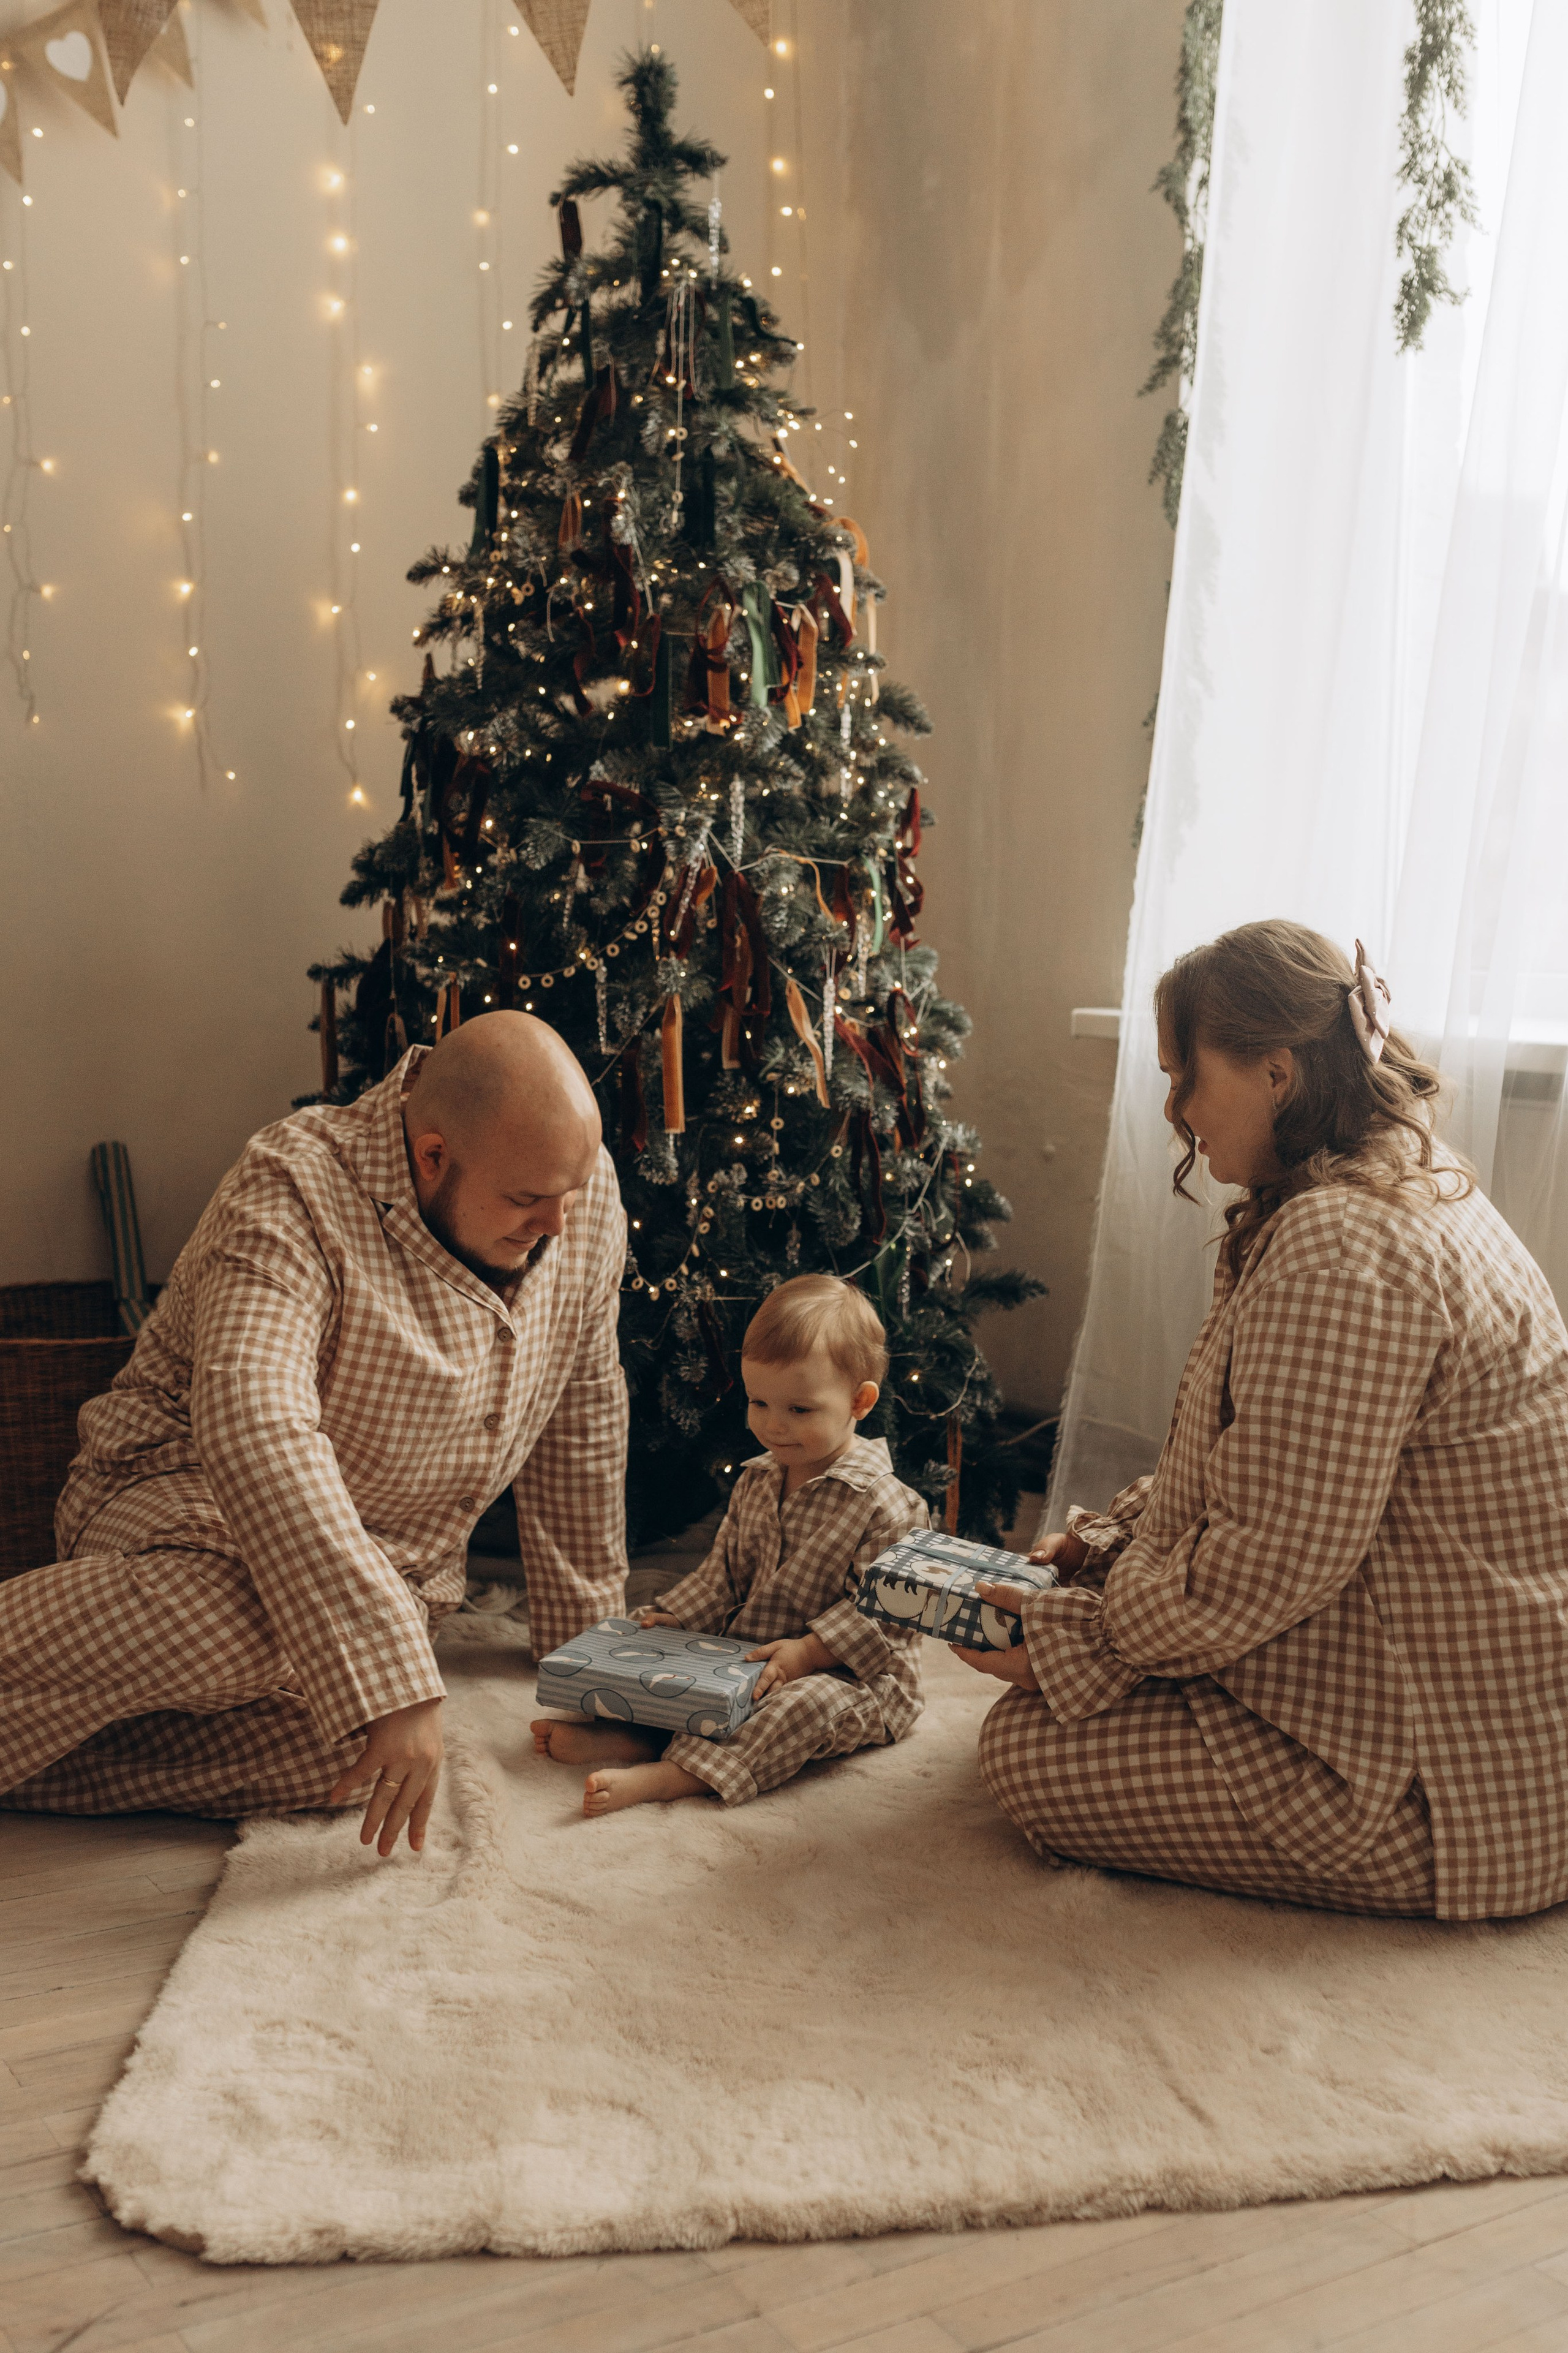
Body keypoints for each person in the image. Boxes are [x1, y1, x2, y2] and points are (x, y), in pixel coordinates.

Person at [959, 921, 1568, 1922]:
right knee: (1090, 1681)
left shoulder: (1343, 1240)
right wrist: (1113, 1552)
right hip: (1469, 1703)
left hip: (1453, 1782)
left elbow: (1272, 1555)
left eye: (1185, 1077)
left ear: (1277, 1072)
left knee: (1029, 1753)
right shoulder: (1391, 1182)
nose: (1176, 1111)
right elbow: (1265, 1463)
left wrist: (1090, 1642)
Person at [0, 1014, 628, 1858]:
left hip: (391, 1574)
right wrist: (390, 1675)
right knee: (243, 1627)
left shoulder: (570, 1194)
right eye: (525, 1199)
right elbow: (255, 1423)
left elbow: (582, 1414)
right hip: (180, 1502)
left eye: (572, 1191)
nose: (558, 1222)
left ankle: (41, 1764)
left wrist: (588, 1660)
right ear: (432, 1156)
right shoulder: (292, 1184)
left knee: (359, 1759)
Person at [532, 1274, 928, 1815]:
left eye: (799, 1410)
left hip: (854, 1675)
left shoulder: (891, 1505)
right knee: (663, 1651)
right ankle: (638, 1734)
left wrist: (809, 1652)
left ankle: (675, 1774)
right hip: (748, 1653)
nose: (772, 1425)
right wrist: (678, 1617)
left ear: (859, 1401)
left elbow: (884, 1617)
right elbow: (724, 1572)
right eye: (759, 1402)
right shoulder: (758, 1479)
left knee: (801, 1705)